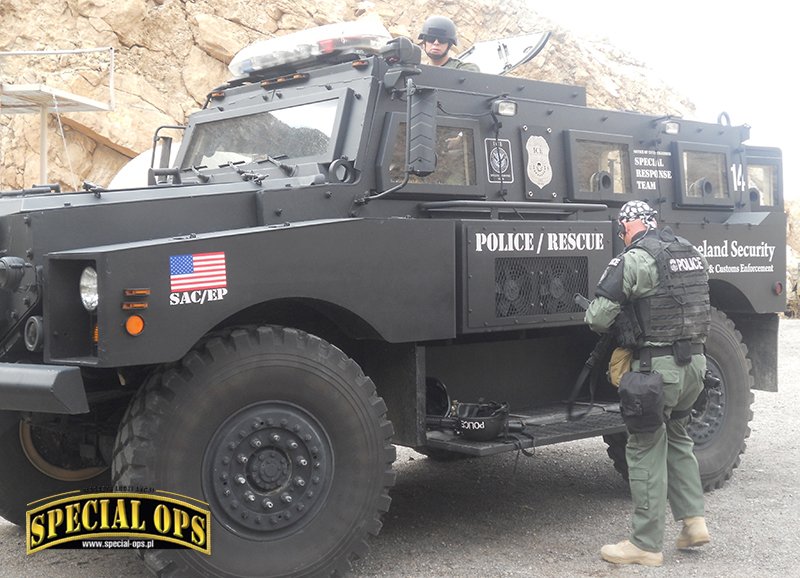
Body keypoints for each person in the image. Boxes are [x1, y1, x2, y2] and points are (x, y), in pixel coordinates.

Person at [584, 200, 711, 567]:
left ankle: (645, 544)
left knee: (644, 448)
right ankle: (693, 523)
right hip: (696, 365)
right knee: (679, 437)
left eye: (621, 230)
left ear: (625, 227)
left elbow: (597, 317)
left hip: (659, 371)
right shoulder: (689, 251)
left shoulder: (634, 258)